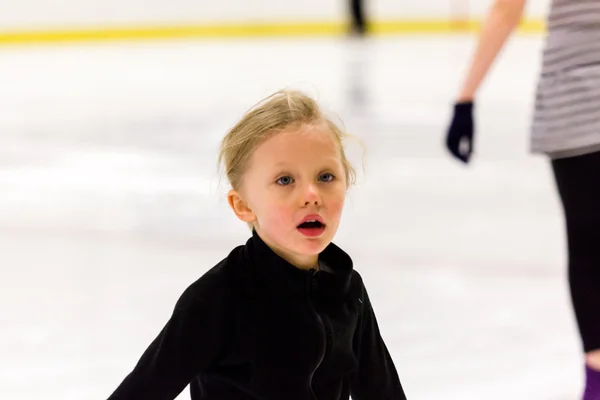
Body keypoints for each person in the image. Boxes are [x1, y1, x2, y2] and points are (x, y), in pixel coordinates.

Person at [107, 89, 407, 400]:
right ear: (243, 205)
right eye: (285, 180)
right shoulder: (217, 299)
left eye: (326, 176)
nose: (311, 194)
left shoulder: (346, 289)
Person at [444, 0, 600, 398]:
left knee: (588, 246)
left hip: (573, 98)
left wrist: (466, 98)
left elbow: (506, 9)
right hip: (576, 97)